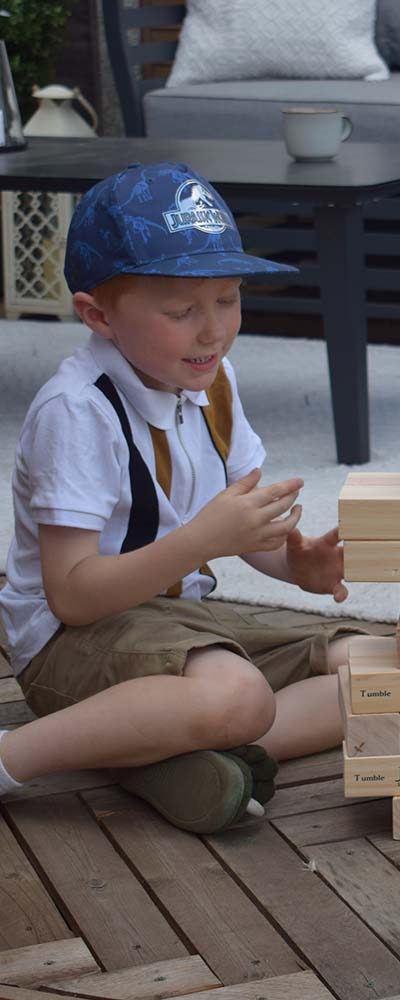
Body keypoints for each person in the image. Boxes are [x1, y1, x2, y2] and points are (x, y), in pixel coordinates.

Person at [0, 161, 362, 833]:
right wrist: (202, 541)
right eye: (181, 310)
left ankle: (158, 752)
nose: (213, 329)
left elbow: (243, 530)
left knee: (383, 669)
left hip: (182, 631)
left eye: (227, 299)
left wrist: (297, 566)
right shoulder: (77, 412)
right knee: (238, 694)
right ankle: (14, 758)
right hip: (70, 645)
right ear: (97, 314)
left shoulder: (212, 383)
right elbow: (71, 597)